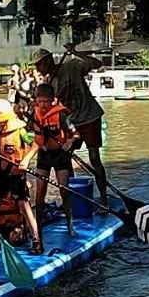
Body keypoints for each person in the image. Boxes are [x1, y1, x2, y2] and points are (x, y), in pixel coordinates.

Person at [35, 44, 108, 207]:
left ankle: (104, 198)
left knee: (94, 158)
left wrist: (76, 53)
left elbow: (97, 64)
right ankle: (73, 198)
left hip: (89, 116)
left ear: (47, 61)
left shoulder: (72, 66)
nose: (38, 69)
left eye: (39, 64)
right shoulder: (48, 83)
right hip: (72, 121)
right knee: (64, 158)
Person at [0, 97, 40, 252]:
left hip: (15, 174)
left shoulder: (19, 130)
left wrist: (26, 159)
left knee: (23, 205)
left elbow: (36, 143)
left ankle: (36, 238)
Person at [29, 82, 78, 236]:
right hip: (44, 154)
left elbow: (76, 134)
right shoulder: (34, 114)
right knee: (40, 191)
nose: (43, 105)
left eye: (46, 101)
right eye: (40, 101)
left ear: (53, 101)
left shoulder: (61, 115)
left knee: (63, 189)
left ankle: (70, 223)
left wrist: (69, 143)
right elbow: (28, 131)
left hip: (60, 155)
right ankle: (37, 226)